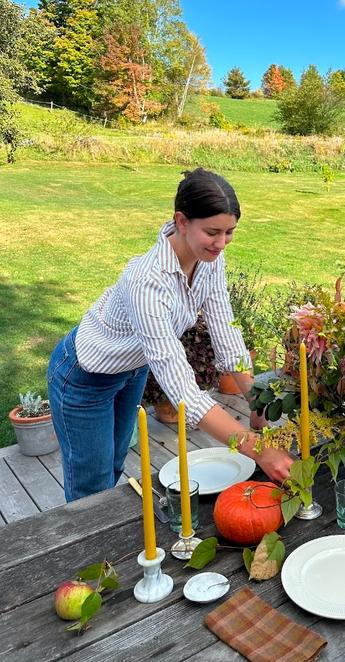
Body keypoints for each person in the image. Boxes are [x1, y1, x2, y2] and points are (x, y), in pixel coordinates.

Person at [47, 168, 293, 502]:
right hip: (83, 377)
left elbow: (226, 332)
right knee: (91, 487)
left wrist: (257, 399)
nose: (221, 243)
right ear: (181, 221)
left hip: (132, 371)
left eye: (230, 232)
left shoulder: (209, 259)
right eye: (212, 232)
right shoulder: (146, 282)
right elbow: (185, 396)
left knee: (115, 464)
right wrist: (259, 449)